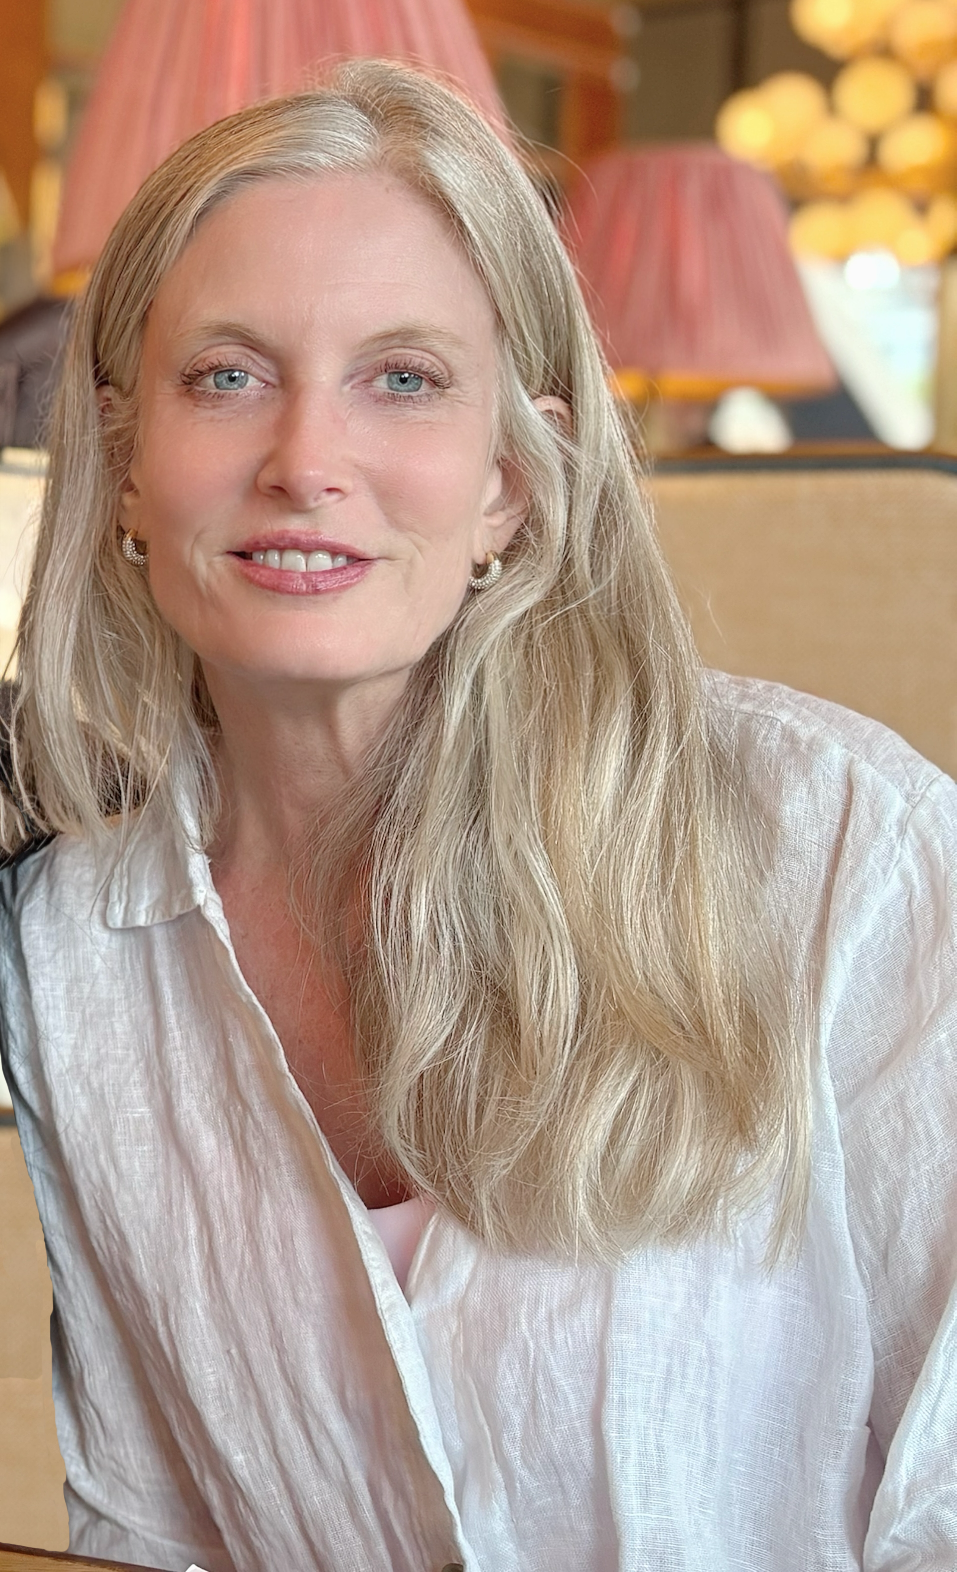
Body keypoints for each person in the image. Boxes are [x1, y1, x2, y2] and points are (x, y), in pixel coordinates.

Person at [0, 58, 955, 1572]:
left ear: (512, 476)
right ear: (120, 461)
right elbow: (154, 1531)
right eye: (228, 375)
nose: (307, 464)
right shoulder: (63, 952)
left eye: (405, 379)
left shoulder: (844, 854)